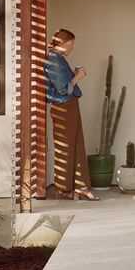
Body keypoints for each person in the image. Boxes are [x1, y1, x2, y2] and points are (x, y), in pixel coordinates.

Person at [44, 28, 99, 201]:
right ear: (64, 43)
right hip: (64, 108)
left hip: (68, 107)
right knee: (66, 147)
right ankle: (64, 189)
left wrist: (74, 75)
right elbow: (63, 89)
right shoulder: (53, 60)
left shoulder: (57, 59)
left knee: (76, 146)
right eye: (71, 44)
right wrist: (78, 76)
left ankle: (80, 187)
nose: (72, 48)